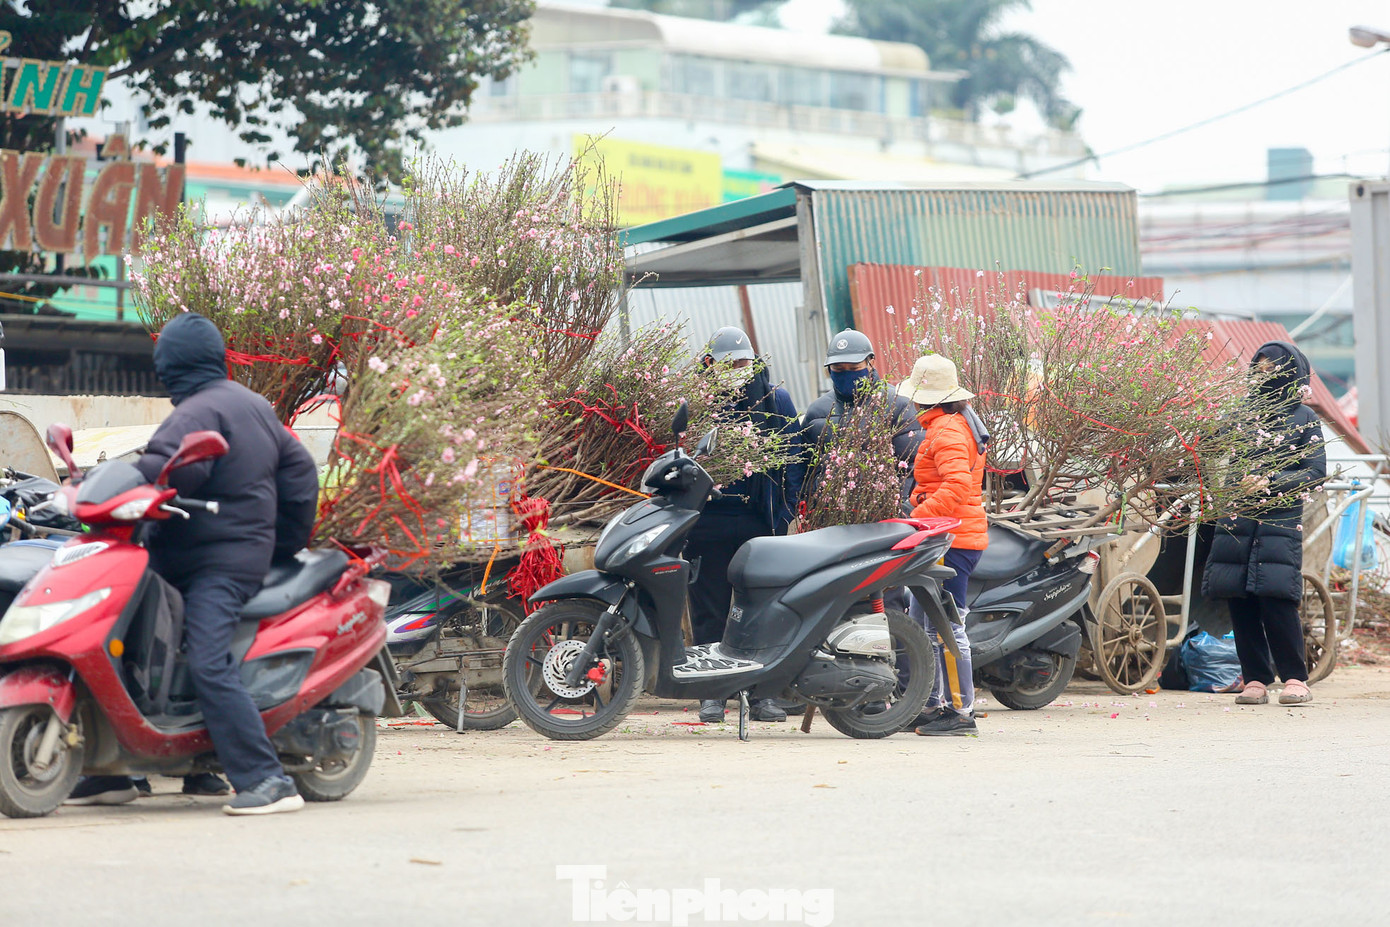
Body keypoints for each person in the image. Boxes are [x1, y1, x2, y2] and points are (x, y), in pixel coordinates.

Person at [65, 313, 320, 815]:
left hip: (214, 567)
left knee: (206, 660)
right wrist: (281, 548)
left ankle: (268, 780)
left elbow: (167, 470)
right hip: (225, 559)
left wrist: (110, 485)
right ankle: (125, 772)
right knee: (130, 647)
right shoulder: (253, 405)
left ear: (170, 365)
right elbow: (301, 477)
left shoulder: (198, 412)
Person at [688, 326, 804, 724]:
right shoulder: (697, 404)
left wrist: (784, 514)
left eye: (743, 363)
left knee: (761, 609)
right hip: (707, 522)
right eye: (730, 364)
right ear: (709, 365)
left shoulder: (774, 400)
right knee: (709, 608)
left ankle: (762, 694)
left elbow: (793, 458)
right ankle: (712, 693)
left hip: (759, 522)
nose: (739, 371)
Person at [1202, 341, 1326, 706]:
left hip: (1279, 518)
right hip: (1238, 515)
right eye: (1258, 365)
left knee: (1276, 596)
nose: (1262, 371)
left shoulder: (1305, 417)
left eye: (1270, 366)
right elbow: (1210, 446)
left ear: (1288, 371)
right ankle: (1255, 679)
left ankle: (1295, 679)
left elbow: (1315, 472)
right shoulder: (1240, 412)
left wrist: (1271, 481)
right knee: (1239, 597)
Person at [898, 354, 989, 737]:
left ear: (925, 399)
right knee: (923, 624)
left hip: (952, 539)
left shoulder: (947, 431)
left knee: (946, 627)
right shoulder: (949, 424)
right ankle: (931, 705)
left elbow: (955, 487)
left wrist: (919, 516)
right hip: (946, 537)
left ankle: (960, 714)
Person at [800, 330, 923, 499]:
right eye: (838, 369)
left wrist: (901, 508)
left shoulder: (897, 405)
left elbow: (913, 466)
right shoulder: (817, 412)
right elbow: (805, 470)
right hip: (829, 511)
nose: (846, 374)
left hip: (884, 510)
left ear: (870, 363)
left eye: (854, 368)